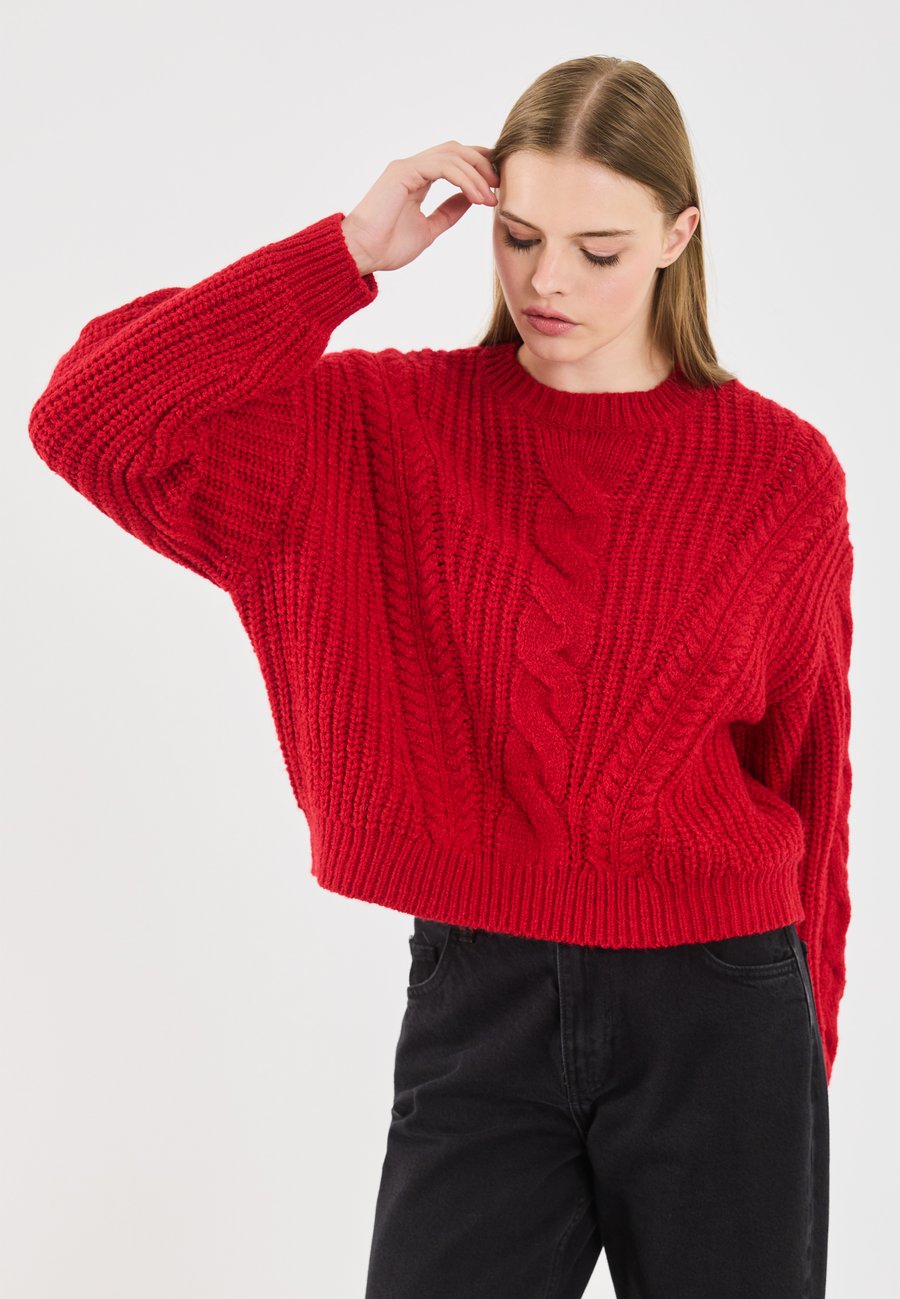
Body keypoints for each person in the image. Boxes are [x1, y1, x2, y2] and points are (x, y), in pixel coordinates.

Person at [28, 54, 851, 1299]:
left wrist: (807, 1052)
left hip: (723, 1005)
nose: (549, 280)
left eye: (599, 249)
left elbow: (809, 773)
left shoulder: (779, 473)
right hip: (485, 991)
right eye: (520, 237)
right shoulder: (376, 428)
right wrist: (346, 255)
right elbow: (92, 419)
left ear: (679, 238)